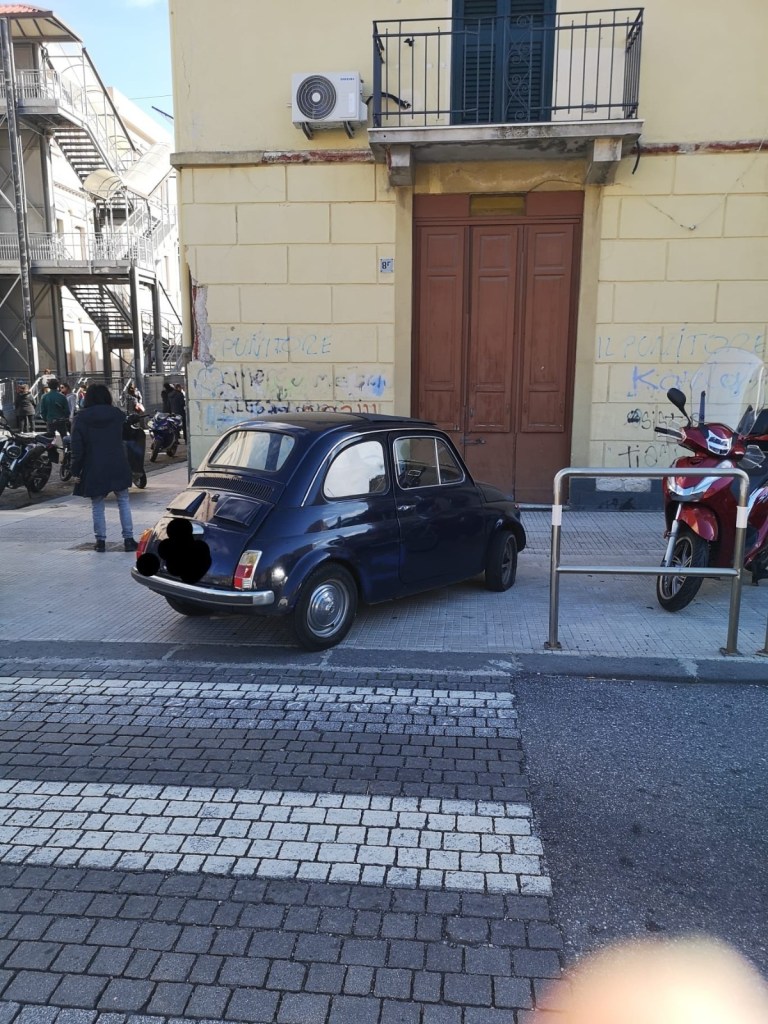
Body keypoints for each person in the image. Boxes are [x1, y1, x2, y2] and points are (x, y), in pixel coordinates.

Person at [70, 383, 138, 553]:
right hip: (117, 463)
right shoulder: (117, 415)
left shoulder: (81, 418)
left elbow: (77, 448)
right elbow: (128, 436)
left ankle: (100, 542)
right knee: (123, 501)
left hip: (94, 466)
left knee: (97, 504)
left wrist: (75, 470)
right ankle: (129, 540)